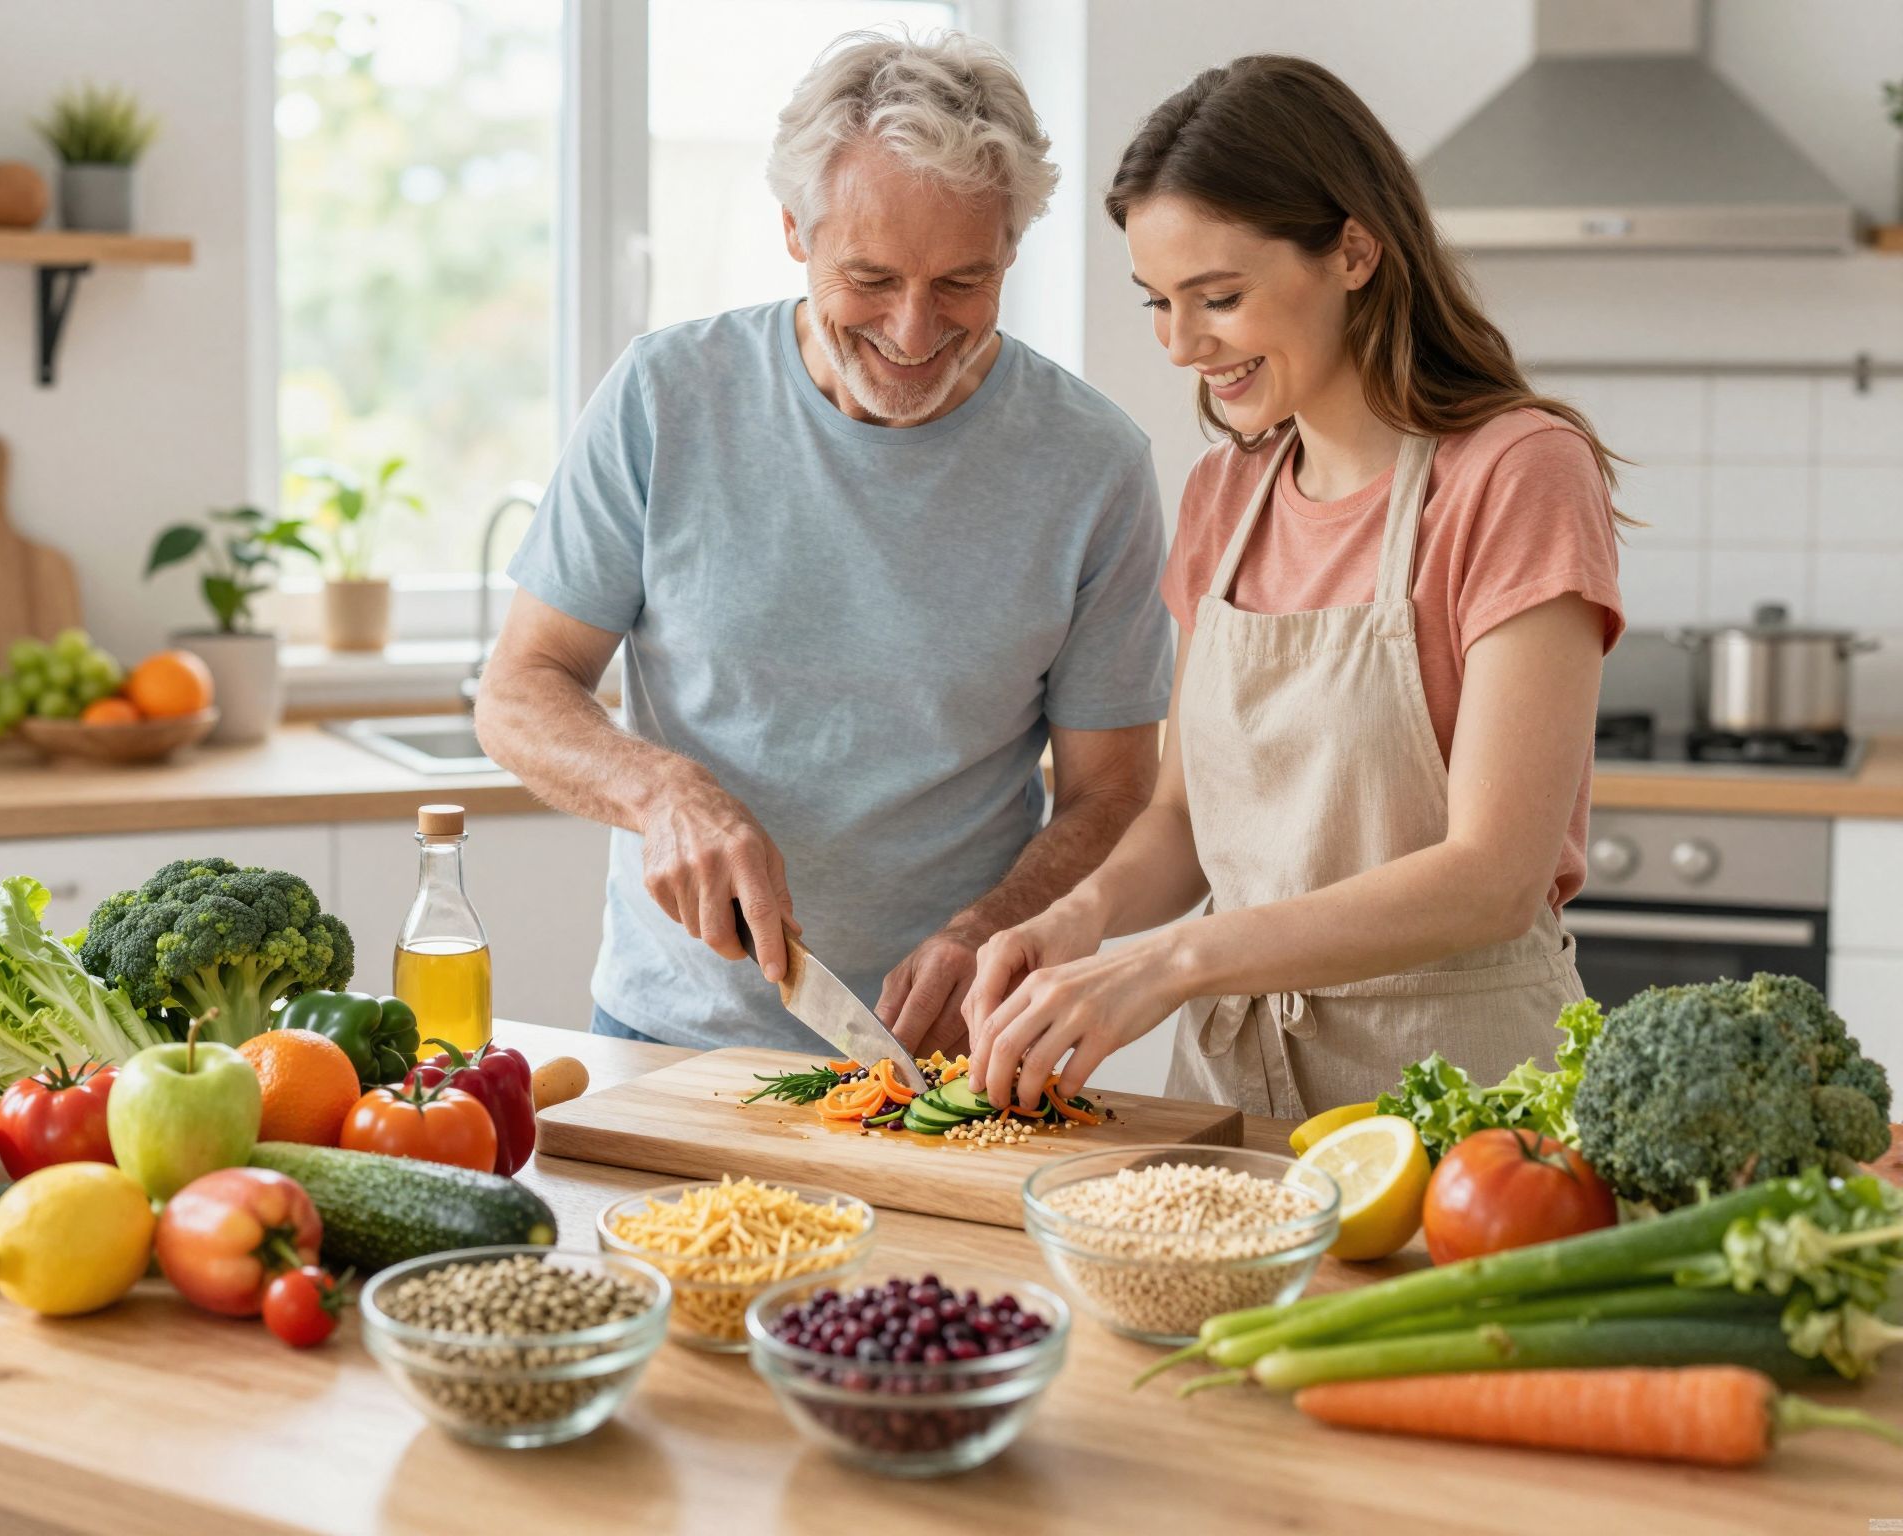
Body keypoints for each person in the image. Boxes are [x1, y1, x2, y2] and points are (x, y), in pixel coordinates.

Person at [475, 31, 1172, 1055]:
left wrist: (989, 926)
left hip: (942, 1057)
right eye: (871, 278)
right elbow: (520, 686)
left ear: (1011, 250)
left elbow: (1111, 792)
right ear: (794, 229)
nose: (911, 330)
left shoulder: (1092, 464)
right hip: (665, 1034)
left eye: (962, 284)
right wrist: (660, 792)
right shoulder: (666, 399)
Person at [962, 55, 1627, 1119]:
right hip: (1233, 1087)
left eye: (1217, 298)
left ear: (1354, 250)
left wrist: (1173, 963)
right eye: (1158, 302)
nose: (1180, 345)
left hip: (1461, 1099)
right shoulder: (1225, 496)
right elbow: (1183, 819)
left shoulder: (1514, 473)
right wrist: (1077, 920)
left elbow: (1493, 873)